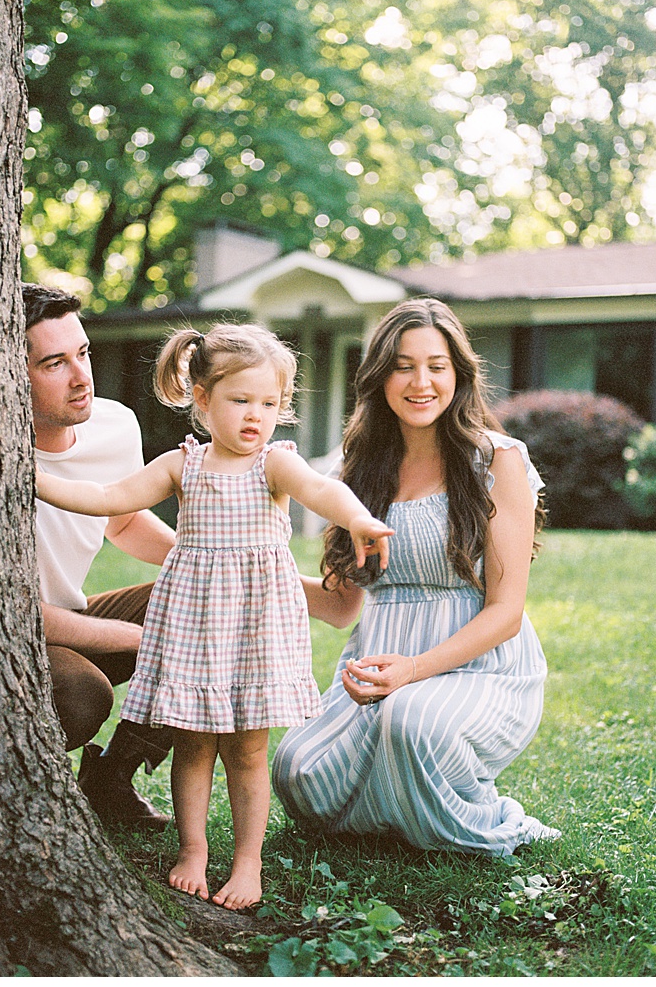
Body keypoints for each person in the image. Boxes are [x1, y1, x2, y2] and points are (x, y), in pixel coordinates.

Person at [35, 324, 393, 910]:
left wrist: (357, 519)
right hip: (197, 633)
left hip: (254, 635)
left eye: (270, 403)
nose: (257, 416)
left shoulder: (274, 465)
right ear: (201, 399)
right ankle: (194, 851)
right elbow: (108, 499)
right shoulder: (184, 466)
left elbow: (322, 491)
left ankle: (247, 863)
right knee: (194, 746)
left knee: (248, 750)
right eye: (240, 401)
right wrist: (38, 481)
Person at [271, 298, 561, 856]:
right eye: (403, 366)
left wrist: (415, 671)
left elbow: (505, 612)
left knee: (411, 722)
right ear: (380, 376)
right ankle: (402, 807)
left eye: (436, 365)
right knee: (296, 772)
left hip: (484, 670)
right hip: (380, 667)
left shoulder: (496, 461)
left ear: (459, 374)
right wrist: (252, 570)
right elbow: (339, 606)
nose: (420, 381)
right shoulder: (356, 468)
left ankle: (485, 820)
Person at [25, 282, 179, 828]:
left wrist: (204, 562)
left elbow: (124, 520)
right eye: (53, 363)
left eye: (83, 353)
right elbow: (13, 613)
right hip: (19, 637)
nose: (80, 376)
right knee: (83, 696)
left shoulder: (113, 425)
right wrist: (144, 639)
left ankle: (110, 783)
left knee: (210, 608)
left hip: (76, 614)